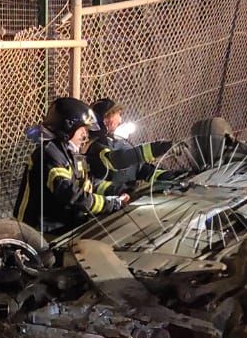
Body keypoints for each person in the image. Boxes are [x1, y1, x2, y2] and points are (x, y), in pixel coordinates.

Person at [14, 96, 129, 236]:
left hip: (63, 230)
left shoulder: (70, 154)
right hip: (38, 235)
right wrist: (109, 204)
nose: (85, 135)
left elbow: (87, 183)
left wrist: (117, 190)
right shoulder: (48, 154)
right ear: (68, 127)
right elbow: (71, 193)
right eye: (83, 130)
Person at [87, 98, 174, 198]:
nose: (120, 120)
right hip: (109, 206)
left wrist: (164, 175)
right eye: (118, 115)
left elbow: (139, 169)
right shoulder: (94, 145)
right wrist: (157, 148)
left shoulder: (118, 141)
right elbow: (117, 160)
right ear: (105, 119)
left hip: (127, 199)